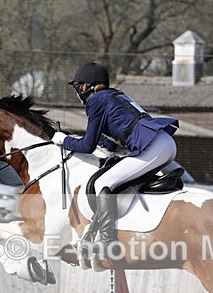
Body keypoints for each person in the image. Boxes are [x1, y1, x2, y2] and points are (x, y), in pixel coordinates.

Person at [52, 62, 179, 260]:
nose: (78, 93)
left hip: (154, 146)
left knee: (103, 182)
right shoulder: (113, 95)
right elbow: (119, 133)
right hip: (163, 142)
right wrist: (108, 147)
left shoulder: (96, 101)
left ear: (85, 86)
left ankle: (106, 241)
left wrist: (63, 140)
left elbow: (87, 146)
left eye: (78, 87)